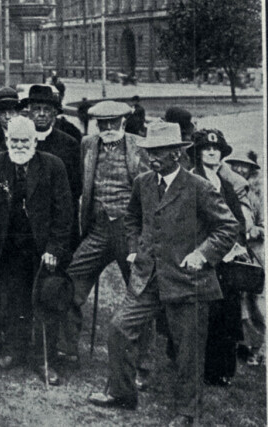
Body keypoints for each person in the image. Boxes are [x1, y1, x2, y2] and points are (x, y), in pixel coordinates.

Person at [87, 122, 239, 426]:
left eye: (158, 152)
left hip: (187, 282)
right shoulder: (144, 182)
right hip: (149, 277)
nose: (151, 157)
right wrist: (134, 246)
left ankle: (187, 412)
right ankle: (121, 393)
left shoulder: (198, 187)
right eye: (149, 151)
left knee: (188, 353)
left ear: (176, 154)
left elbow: (228, 226)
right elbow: (132, 218)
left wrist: (202, 254)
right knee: (119, 328)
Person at [0, 115, 75, 384]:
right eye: (14, 141)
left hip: (43, 249)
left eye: (24, 141)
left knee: (45, 300)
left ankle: (45, 360)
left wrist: (54, 247)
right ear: (6, 140)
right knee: (14, 300)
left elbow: (64, 213)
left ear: (34, 141)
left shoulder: (53, 166)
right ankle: (15, 352)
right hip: (10, 246)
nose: (19, 146)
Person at [62, 99, 152, 370]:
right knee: (71, 281)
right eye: (103, 123)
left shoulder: (140, 146)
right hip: (98, 228)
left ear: (124, 122)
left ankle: (142, 364)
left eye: (114, 122)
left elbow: (149, 192)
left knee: (140, 293)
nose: (109, 128)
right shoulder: (88, 145)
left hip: (130, 231)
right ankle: (67, 351)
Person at [190, 129, 249, 386]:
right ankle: (197, 368)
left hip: (226, 258)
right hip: (201, 254)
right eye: (206, 148)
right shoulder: (192, 180)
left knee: (226, 311)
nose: (212, 152)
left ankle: (220, 370)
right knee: (203, 314)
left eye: (216, 149)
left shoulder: (225, 184)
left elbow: (236, 222)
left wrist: (236, 245)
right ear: (198, 153)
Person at [23, 84, 83, 244]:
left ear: (54, 113)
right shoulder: (18, 142)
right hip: (26, 224)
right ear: (28, 112)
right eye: (36, 109)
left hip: (59, 222)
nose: (41, 114)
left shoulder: (69, 143)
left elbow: (76, 186)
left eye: (47, 109)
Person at [226, 152, 264, 365]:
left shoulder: (257, 194)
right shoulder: (229, 190)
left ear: (251, 170)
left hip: (254, 254)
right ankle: (240, 344)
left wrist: (256, 230)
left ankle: (255, 348)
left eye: (244, 167)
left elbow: (262, 224)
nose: (240, 170)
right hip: (234, 251)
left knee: (255, 300)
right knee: (236, 301)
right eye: (236, 165)